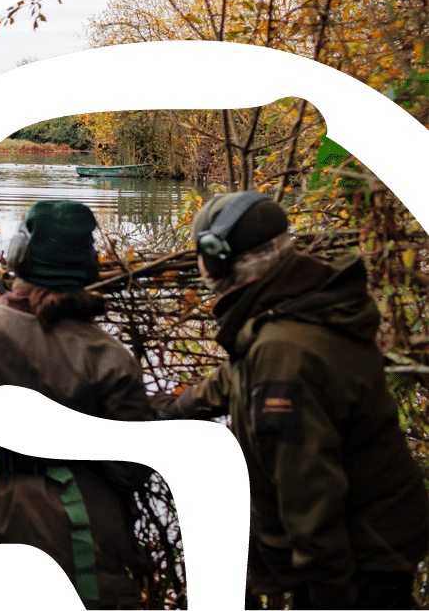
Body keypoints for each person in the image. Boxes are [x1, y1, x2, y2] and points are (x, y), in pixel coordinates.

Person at [151, 190, 429, 610]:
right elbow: (238, 376)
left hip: (356, 568)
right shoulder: (299, 312)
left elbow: (310, 500)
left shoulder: (284, 353)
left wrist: (327, 594)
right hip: (375, 547)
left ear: (221, 257)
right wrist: (171, 408)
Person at [0, 200, 154, 610]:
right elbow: (131, 470)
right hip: (78, 531)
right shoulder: (107, 356)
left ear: (19, 255)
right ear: (87, 266)